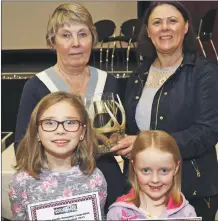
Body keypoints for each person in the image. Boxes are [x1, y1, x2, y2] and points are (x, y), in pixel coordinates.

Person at [111, 1, 218, 221]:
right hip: (142, 191)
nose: (165, 28)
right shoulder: (138, 75)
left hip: (191, 188)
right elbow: (132, 129)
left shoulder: (205, 72)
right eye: (157, 22)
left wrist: (145, 142)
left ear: (186, 27)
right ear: (148, 31)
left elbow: (208, 132)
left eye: (172, 21)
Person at [14, 3, 125, 213]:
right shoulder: (37, 86)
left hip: (108, 185)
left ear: (93, 39)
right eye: (66, 35)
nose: (76, 43)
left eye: (83, 34)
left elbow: (118, 134)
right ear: (52, 41)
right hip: (57, 194)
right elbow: (22, 146)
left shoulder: (108, 82)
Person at [8, 91, 107, 220]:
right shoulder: (21, 183)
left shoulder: (95, 178)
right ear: (37, 132)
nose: (60, 130)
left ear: (82, 131)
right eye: (49, 123)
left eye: (70, 122)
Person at [107, 130, 197, 220]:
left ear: (176, 168)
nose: (155, 179)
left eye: (164, 170)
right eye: (146, 170)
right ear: (134, 167)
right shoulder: (117, 213)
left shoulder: (187, 213)